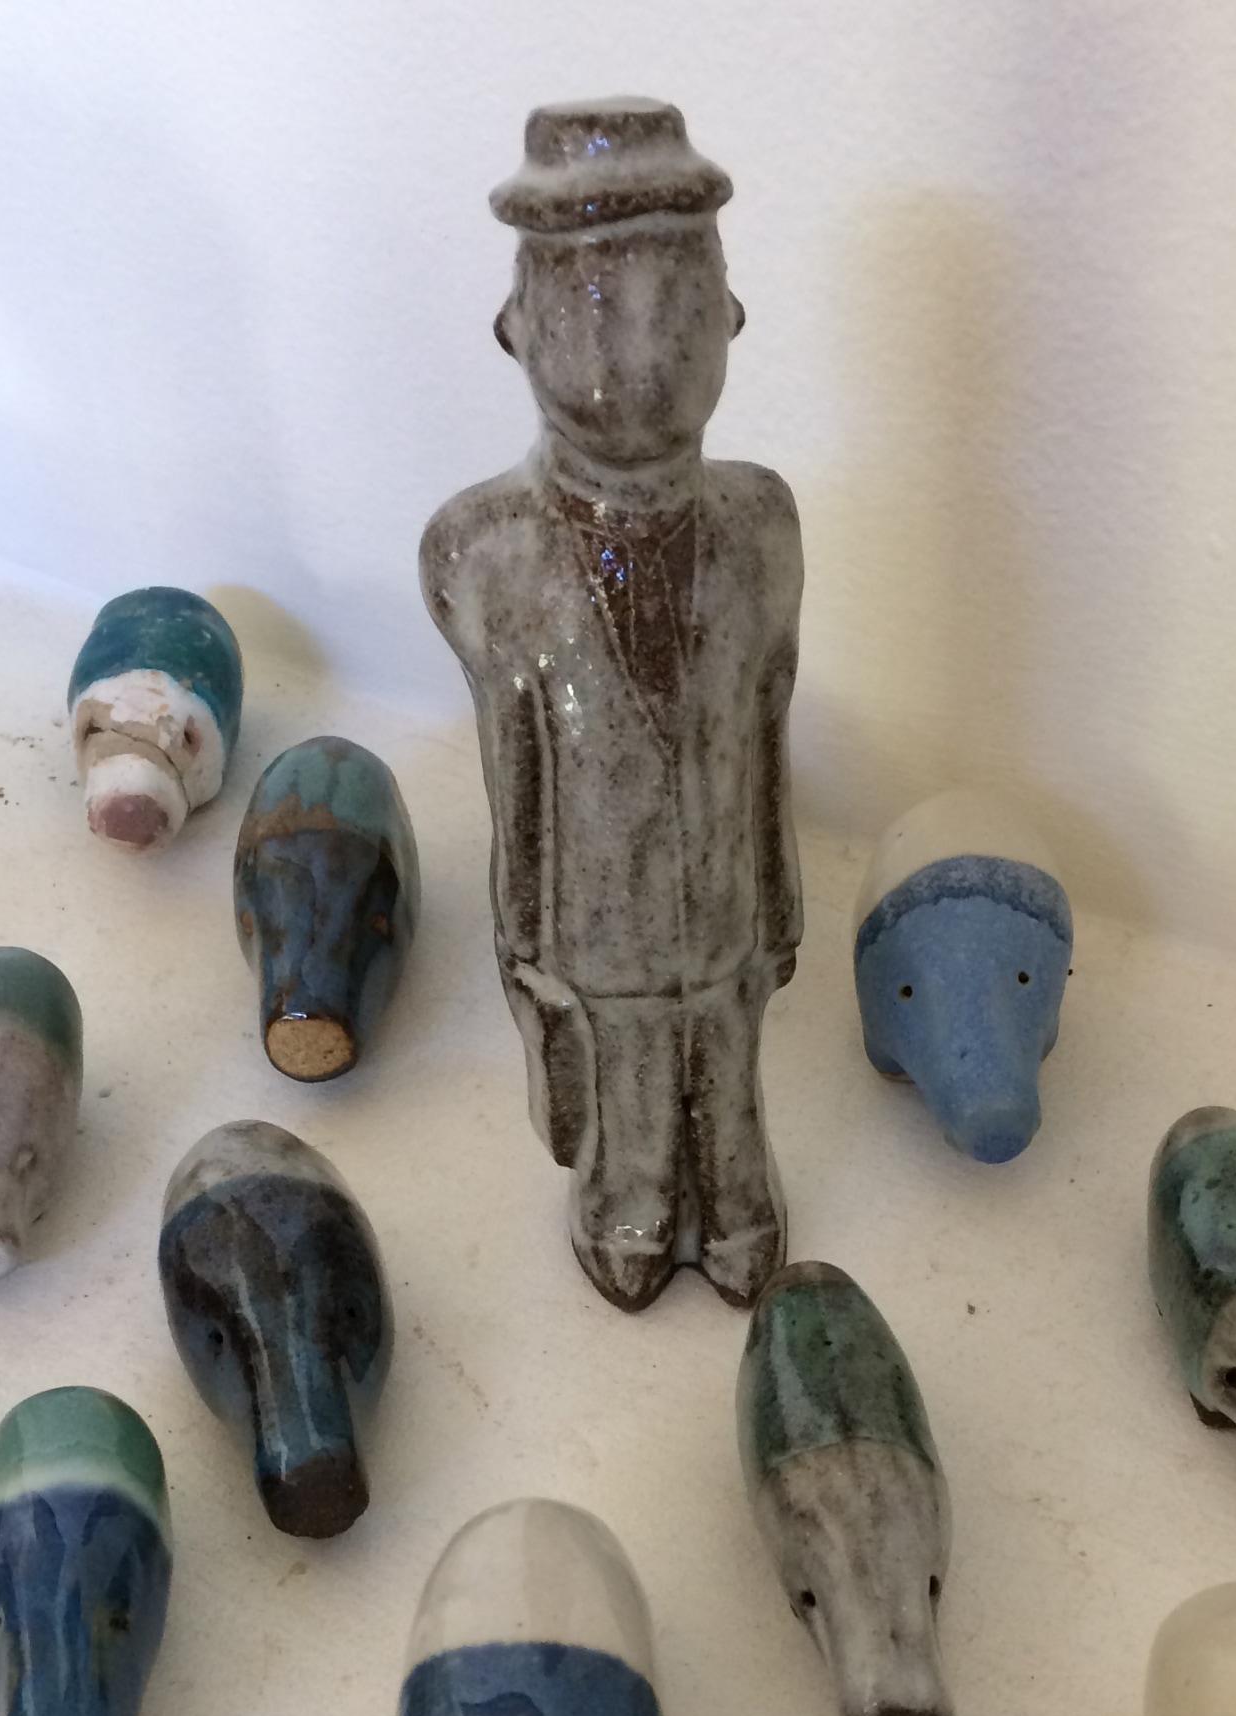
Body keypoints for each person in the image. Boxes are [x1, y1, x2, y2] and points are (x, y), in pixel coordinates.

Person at [421, 99, 803, 1312]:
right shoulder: (482, 552)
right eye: (592, 300)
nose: (638, 349)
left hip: (726, 910)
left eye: (674, 296)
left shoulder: (762, 526)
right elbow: (512, 771)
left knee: (727, 1057)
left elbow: (768, 725)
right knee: (628, 1067)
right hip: (596, 935)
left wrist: (780, 900)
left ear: (729, 316)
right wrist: (522, 950)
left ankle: (734, 1194)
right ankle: (626, 1196)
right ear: (516, 328)